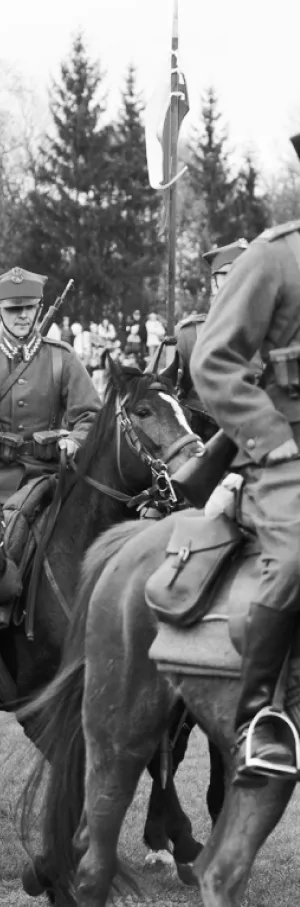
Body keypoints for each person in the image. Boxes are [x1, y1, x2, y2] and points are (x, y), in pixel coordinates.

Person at [192, 218, 300, 785]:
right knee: (293, 557)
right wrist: (271, 441)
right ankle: (260, 716)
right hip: (288, 452)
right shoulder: (273, 256)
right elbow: (213, 360)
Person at [0, 268, 101, 505]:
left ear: (40, 309)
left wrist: (76, 440)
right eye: (13, 308)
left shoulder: (62, 358)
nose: (22, 315)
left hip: (50, 475)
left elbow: (93, 416)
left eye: (29, 307)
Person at [175, 239, 249, 441]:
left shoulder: (273, 334)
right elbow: (153, 401)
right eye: (229, 275)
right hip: (201, 451)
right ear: (213, 283)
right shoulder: (188, 335)